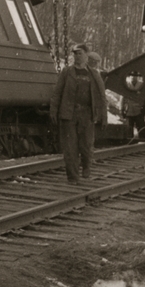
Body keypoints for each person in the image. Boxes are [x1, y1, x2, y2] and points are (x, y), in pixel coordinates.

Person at [50, 44, 107, 183]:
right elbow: (57, 93)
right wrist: (53, 110)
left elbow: (101, 96)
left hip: (87, 115)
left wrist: (103, 116)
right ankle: (73, 177)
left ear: (87, 55)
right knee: (70, 148)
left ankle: (86, 165)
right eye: (75, 54)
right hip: (69, 114)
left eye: (80, 53)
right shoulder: (67, 72)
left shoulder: (94, 74)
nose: (77, 56)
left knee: (86, 146)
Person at [122, 74, 145, 143]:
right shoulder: (127, 84)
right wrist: (122, 109)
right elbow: (123, 98)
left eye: (135, 76)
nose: (134, 77)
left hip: (138, 111)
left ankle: (143, 142)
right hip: (129, 110)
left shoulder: (141, 84)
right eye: (132, 76)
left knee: (141, 128)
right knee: (129, 130)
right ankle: (129, 143)